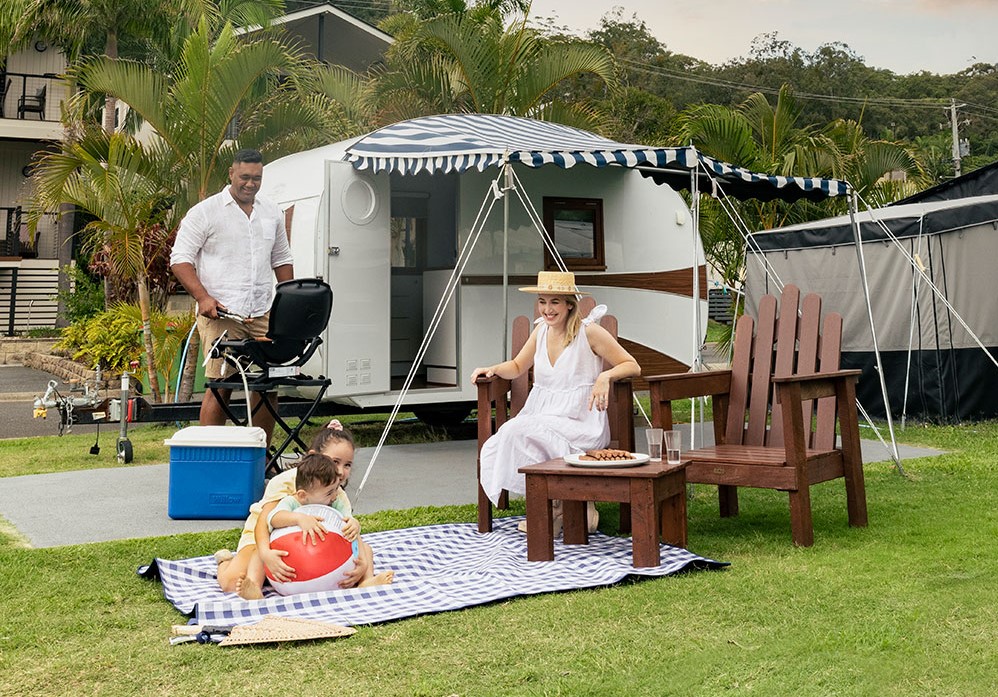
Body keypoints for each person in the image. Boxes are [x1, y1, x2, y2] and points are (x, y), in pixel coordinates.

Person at [471, 271, 641, 532]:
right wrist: (492, 369)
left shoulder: (589, 332)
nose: (547, 309)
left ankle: (569, 504)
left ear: (569, 304)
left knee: (516, 430)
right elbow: (517, 366)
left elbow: (632, 365)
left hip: (580, 421)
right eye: (542, 301)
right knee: (510, 437)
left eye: (554, 302)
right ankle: (560, 505)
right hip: (543, 414)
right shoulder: (540, 331)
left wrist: (605, 376)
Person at [169, 148, 294, 445]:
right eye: (245, 177)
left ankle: (261, 457)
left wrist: (289, 302)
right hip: (222, 313)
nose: (251, 184)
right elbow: (180, 259)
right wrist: (203, 298)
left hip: (263, 312)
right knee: (220, 385)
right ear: (232, 174)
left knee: (266, 385)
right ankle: (212, 458)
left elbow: (282, 259)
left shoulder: (272, 212)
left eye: (257, 178)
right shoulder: (205, 212)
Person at [215, 421, 393, 599]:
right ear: (314, 456)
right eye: (335, 461)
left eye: (347, 465)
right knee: (232, 583)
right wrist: (266, 554)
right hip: (264, 538)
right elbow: (264, 522)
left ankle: (366, 582)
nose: (340, 471)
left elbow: (348, 528)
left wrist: (360, 564)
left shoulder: (336, 493)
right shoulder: (285, 482)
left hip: (309, 544)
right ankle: (227, 564)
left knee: (365, 550)